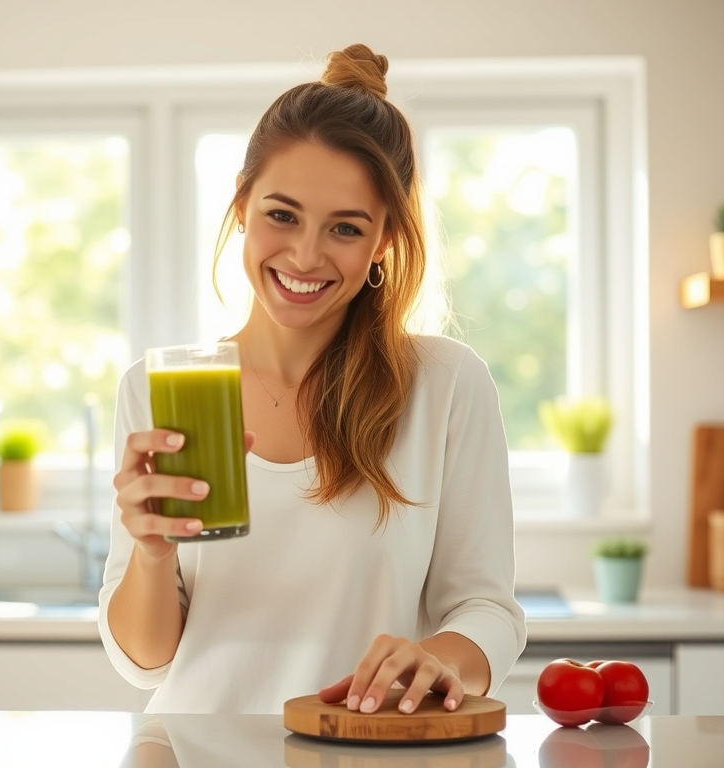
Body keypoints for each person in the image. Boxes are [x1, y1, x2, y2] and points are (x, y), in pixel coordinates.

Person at [97, 43, 526, 715]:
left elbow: (488, 611)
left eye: (346, 228)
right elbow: (146, 663)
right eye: (282, 214)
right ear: (242, 207)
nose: (305, 254)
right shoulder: (162, 389)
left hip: (365, 755)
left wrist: (439, 657)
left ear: (384, 239)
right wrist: (151, 555)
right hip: (193, 751)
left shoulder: (444, 386)